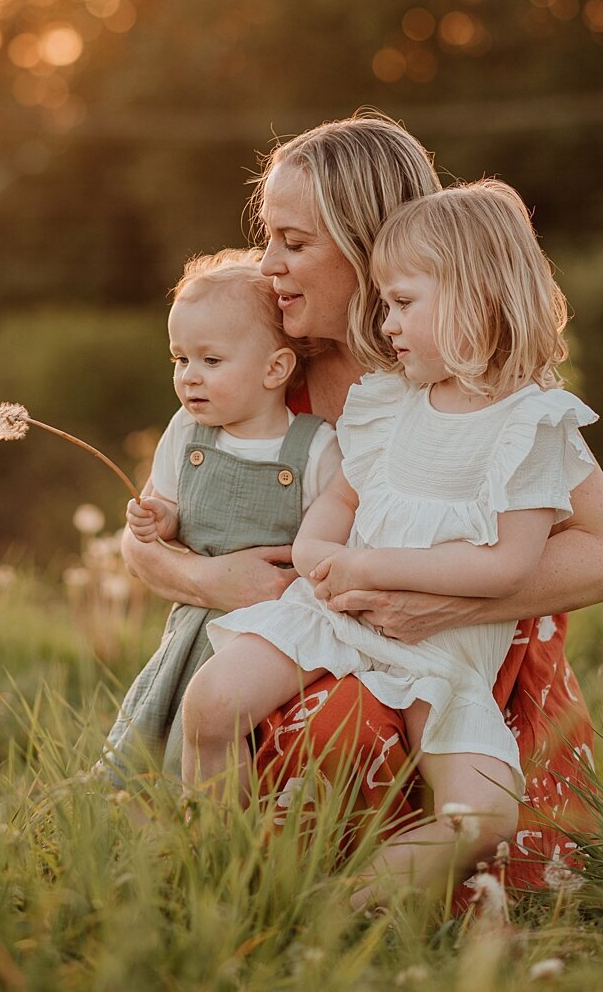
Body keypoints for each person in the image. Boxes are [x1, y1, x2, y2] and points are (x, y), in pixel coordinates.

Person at [120, 112, 603, 895]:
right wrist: (216, 584)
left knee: (449, 803)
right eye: (267, 237)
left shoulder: (477, 386)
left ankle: (361, 891)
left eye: (295, 242)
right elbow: (148, 528)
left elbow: (594, 541)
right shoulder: (268, 371)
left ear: (372, 242)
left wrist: (444, 600)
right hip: (312, 643)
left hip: (468, 664)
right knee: (296, 719)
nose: (268, 264)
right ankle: (241, 885)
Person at [101, 249, 340, 782]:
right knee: (165, 735)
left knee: (250, 739)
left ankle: (236, 835)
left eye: (211, 361)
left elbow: (337, 535)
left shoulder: (315, 448)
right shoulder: (186, 434)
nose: (190, 378)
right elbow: (169, 501)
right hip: (195, 620)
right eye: (179, 360)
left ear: (275, 368)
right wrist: (158, 519)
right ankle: (177, 838)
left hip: (276, 630)